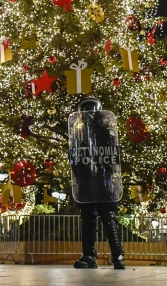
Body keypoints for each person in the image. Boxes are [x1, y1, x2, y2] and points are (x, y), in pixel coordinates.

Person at [69, 97, 125, 270]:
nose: (88, 114)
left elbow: (113, 156)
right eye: (85, 110)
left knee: (108, 218)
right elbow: (73, 157)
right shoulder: (78, 134)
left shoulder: (105, 132)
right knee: (88, 219)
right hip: (86, 182)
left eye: (91, 110)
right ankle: (89, 256)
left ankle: (117, 256)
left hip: (102, 181)